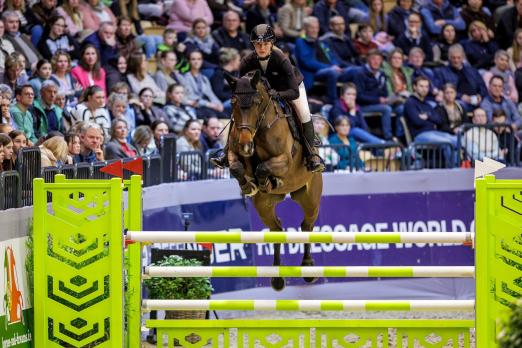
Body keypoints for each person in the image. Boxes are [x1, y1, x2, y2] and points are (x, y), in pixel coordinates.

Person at [211, 24, 325, 172]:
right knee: (239, 114)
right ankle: (226, 153)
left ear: (272, 44)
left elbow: (294, 92)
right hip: (264, 93)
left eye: (265, 44)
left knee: (304, 113)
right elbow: (243, 88)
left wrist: (278, 95)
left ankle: (311, 156)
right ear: (253, 45)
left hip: (290, 88)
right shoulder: (246, 61)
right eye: (258, 44)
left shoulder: (281, 59)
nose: (262, 47)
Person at [404, 76, 458, 166]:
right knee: (448, 143)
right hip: (420, 135)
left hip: (435, 133)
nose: (424, 89)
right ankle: (453, 171)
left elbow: (440, 120)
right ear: (414, 87)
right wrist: (432, 119)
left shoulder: (427, 104)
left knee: (459, 141)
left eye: (426, 87)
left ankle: (463, 168)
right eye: (421, 86)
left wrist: (427, 116)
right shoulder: (410, 102)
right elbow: (417, 121)